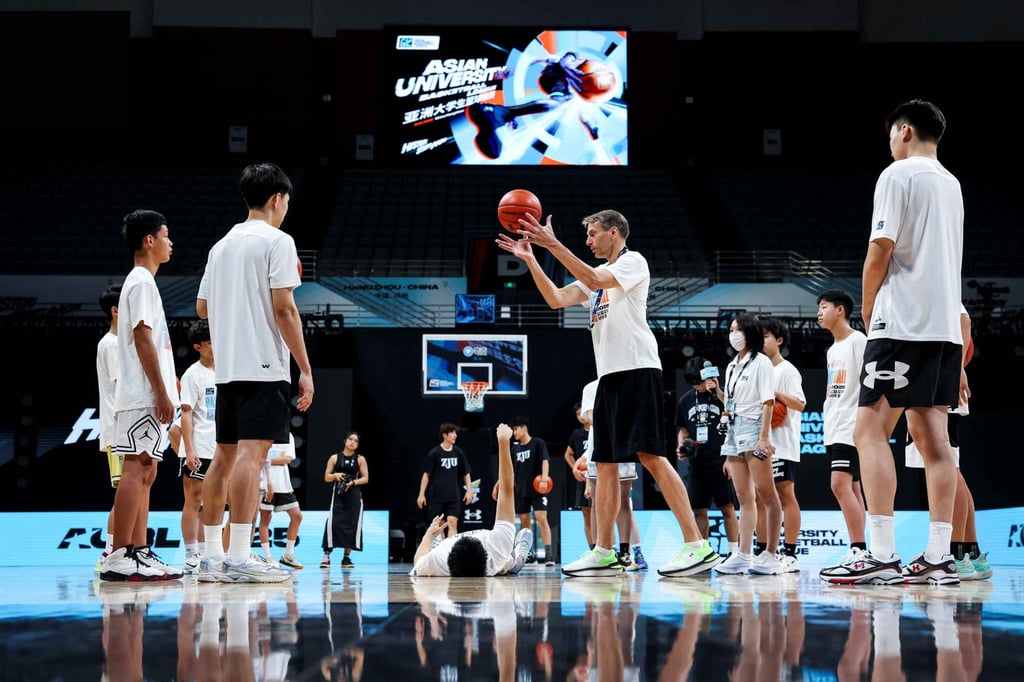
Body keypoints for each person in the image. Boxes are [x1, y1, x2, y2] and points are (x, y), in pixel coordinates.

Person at [498, 208, 720, 577]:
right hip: (609, 379)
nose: (588, 241)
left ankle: (696, 545)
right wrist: (532, 259)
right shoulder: (595, 280)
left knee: (651, 456)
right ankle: (603, 551)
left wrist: (552, 244)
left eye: (593, 234)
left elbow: (593, 276)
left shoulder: (632, 263)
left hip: (637, 370)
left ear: (613, 232)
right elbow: (555, 298)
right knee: (603, 465)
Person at [822, 100, 967, 586]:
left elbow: (879, 249)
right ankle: (939, 556)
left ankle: (880, 553)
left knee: (868, 432)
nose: (889, 143)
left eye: (890, 135)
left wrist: (868, 308)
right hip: (944, 327)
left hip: (901, 323)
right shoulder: (952, 183)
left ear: (904, 131)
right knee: (935, 441)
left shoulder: (898, 174)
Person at [196, 161, 314, 583]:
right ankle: (240, 556)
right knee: (252, 454)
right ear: (278, 199)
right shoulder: (278, 241)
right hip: (263, 364)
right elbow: (285, 309)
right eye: (287, 202)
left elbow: (202, 308)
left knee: (223, 456)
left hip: (227, 367)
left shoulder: (220, 246)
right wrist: (305, 368)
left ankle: (211, 558)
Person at [100, 209, 181, 581]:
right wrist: (162, 391)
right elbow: (143, 338)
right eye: (165, 235)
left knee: (147, 470)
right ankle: (119, 553)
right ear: (149, 240)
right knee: (136, 469)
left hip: (148, 395)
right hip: (143, 395)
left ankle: (139, 551)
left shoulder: (142, 282)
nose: (170, 242)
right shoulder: (141, 282)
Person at [904, 305, 991, 581]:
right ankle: (969, 553)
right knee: (953, 470)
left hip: (937, 384)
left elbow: (964, 321)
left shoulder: (941, 289)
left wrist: (957, 370)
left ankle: (958, 553)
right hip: (933, 381)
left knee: (949, 470)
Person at [410, 422, 533, 576]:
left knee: (444, 527)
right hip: (497, 560)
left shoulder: (438, 560)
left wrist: (429, 535)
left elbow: (418, 561)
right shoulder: (495, 549)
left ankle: (436, 543)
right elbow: (507, 490)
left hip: (451, 496)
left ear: (450, 557)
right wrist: (503, 441)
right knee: (512, 564)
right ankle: (519, 554)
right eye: (452, 433)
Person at [714, 313, 781, 576]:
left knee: (767, 493)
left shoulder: (761, 362)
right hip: (733, 429)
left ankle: (771, 554)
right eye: (731, 330)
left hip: (754, 428)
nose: (733, 335)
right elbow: (731, 402)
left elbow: (768, 402)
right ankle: (743, 554)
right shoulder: (732, 365)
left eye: (738, 330)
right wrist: (718, 392)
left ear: (750, 333)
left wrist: (764, 437)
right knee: (743, 497)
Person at [815, 289, 869, 579]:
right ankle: (861, 550)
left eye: (824, 307)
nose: (819, 313)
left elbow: (871, 383)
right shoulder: (832, 349)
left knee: (839, 485)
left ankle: (859, 549)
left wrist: (865, 423)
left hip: (851, 425)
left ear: (840, 310)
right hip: (834, 425)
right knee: (853, 489)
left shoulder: (858, 340)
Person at [574, 379, 648, 571]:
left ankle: (625, 552)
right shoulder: (591, 388)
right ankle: (599, 551)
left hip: (624, 447)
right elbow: (593, 418)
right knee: (597, 502)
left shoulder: (627, 383)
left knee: (623, 500)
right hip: (599, 448)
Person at [675, 356, 740, 559]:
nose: (699, 386)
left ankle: (734, 552)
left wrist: (717, 391)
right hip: (697, 462)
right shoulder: (685, 401)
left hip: (721, 461)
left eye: (700, 381)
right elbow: (683, 429)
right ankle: (701, 552)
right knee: (699, 510)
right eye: (694, 383)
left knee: (727, 507)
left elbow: (735, 418)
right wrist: (681, 445)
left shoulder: (723, 396)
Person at [758, 318, 806, 572]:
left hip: (782, 444)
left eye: (766, 336)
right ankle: (763, 550)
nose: (762, 341)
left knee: (785, 495)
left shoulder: (787, 370)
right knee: (759, 497)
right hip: (759, 443)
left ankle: (790, 552)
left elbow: (800, 404)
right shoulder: (758, 369)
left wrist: (775, 394)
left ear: (779, 340)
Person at [177, 319, 217, 575]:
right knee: (194, 501)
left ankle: (210, 552)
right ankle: (191, 554)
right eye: (210, 343)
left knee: (216, 503)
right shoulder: (193, 374)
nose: (216, 347)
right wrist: (189, 449)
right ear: (198, 347)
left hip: (222, 449)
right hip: (199, 447)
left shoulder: (227, 372)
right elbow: (186, 413)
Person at [94, 285, 123, 572]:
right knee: (124, 494)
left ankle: (121, 550)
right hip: (119, 430)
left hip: (127, 429)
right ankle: (109, 553)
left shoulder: (119, 343)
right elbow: (122, 385)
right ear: (116, 311)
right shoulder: (111, 345)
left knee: (130, 493)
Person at [502, 416, 553, 565]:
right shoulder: (515, 449)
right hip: (520, 489)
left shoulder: (537, 443)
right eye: (513, 430)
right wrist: (500, 483)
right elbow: (509, 470)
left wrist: (544, 479)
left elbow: (545, 461)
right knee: (524, 521)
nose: (514, 432)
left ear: (524, 428)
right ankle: (529, 554)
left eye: (516, 429)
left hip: (537, 488)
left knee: (541, 517)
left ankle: (549, 555)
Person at [417, 423, 473, 540]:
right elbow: (426, 475)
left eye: (455, 433)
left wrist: (469, 491)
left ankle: (450, 549)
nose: (455, 435)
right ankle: (440, 549)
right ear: (445, 435)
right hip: (437, 496)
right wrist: (421, 494)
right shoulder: (434, 453)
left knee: (452, 522)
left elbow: (466, 473)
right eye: (452, 433)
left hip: (453, 496)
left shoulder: (458, 453)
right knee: (439, 525)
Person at [321, 431, 369, 569]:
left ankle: (346, 558)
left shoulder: (360, 459)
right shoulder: (334, 458)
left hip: (353, 496)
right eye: (350, 439)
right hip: (338, 495)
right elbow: (326, 477)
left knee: (352, 525)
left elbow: (366, 478)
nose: (352, 442)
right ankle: (326, 556)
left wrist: (353, 482)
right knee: (332, 524)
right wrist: (335, 475)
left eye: (356, 441)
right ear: (345, 441)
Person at [259, 433, 305, 569]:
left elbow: (287, 459)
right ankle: (268, 557)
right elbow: (259, 458)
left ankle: (288, 555)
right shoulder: (262, 433)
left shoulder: (288, 435)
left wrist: (267, 460)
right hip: (265, 482)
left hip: (283, 484)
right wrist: (273, 460)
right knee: (265, 518)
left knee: (297, 516)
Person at [563, 402, 594, 549]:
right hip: (583, 478)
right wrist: (576, 469)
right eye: (577, 414)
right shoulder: (577, 434)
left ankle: (606, 547)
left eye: (583, 413)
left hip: (598, 476)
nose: (581, 417)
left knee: (599, 513)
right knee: (586, 514)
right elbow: (568, 454)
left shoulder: (598, 431)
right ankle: (592, 548)